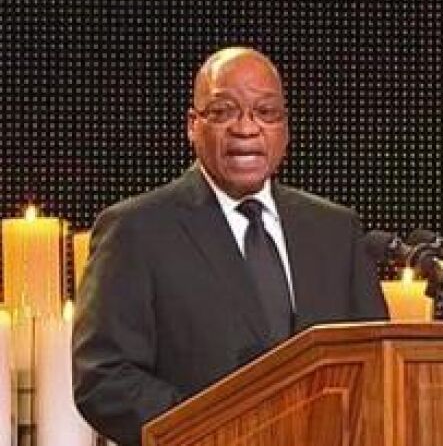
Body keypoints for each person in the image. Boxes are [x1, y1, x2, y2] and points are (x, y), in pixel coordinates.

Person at [73, 47, 387, 446]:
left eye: (265, 112)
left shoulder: (335, 230)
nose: (246, 128)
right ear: (193, 125)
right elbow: (104, 377)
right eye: (224, 112)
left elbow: (375, 363)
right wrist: (214, 431)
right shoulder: (137, 230)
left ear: (284, 128)